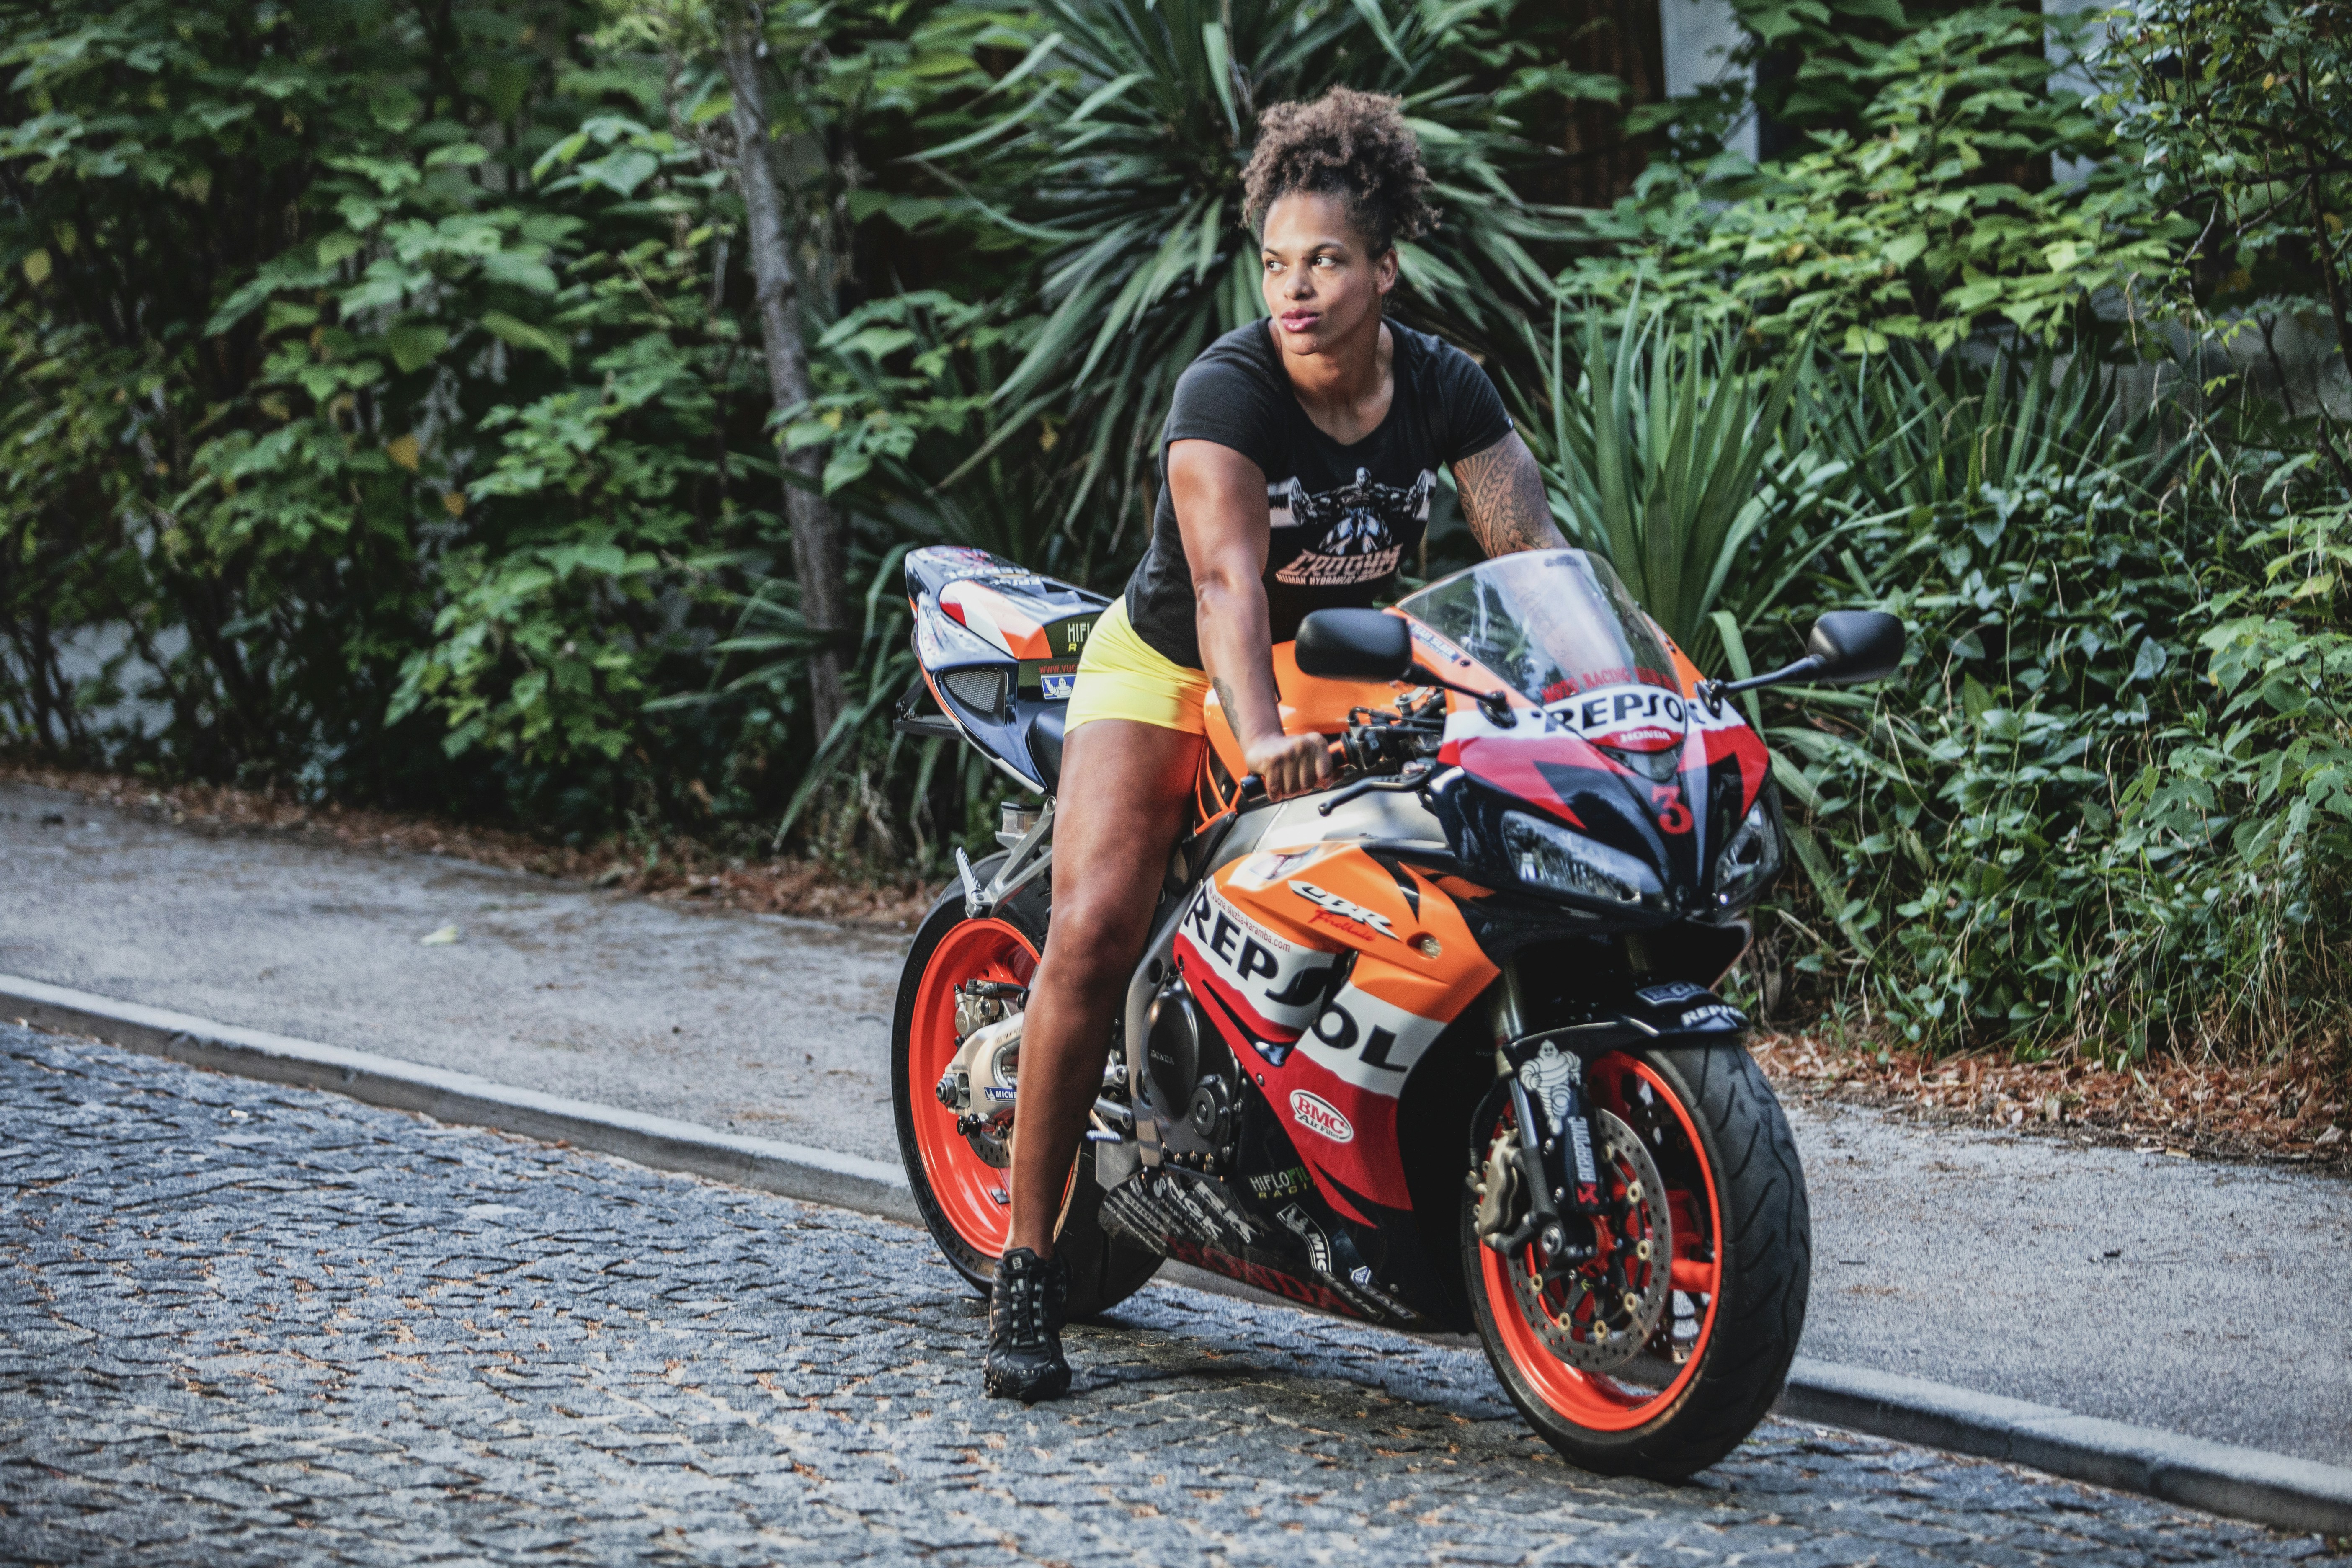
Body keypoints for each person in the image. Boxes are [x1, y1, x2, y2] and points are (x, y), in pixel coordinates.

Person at [984, 86, 1568, 1401]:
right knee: (1095, 924)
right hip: (1177, 667)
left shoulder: (1444, 386)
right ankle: (1027, 1263)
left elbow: (1531, 557)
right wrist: (1256, 734)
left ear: (1385, 269)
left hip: (1350, 671)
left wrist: (1626, 686)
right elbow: (1226, 586)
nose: (1295, 289)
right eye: (1276, 263)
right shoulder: (1227, 390)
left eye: (1326, 262)